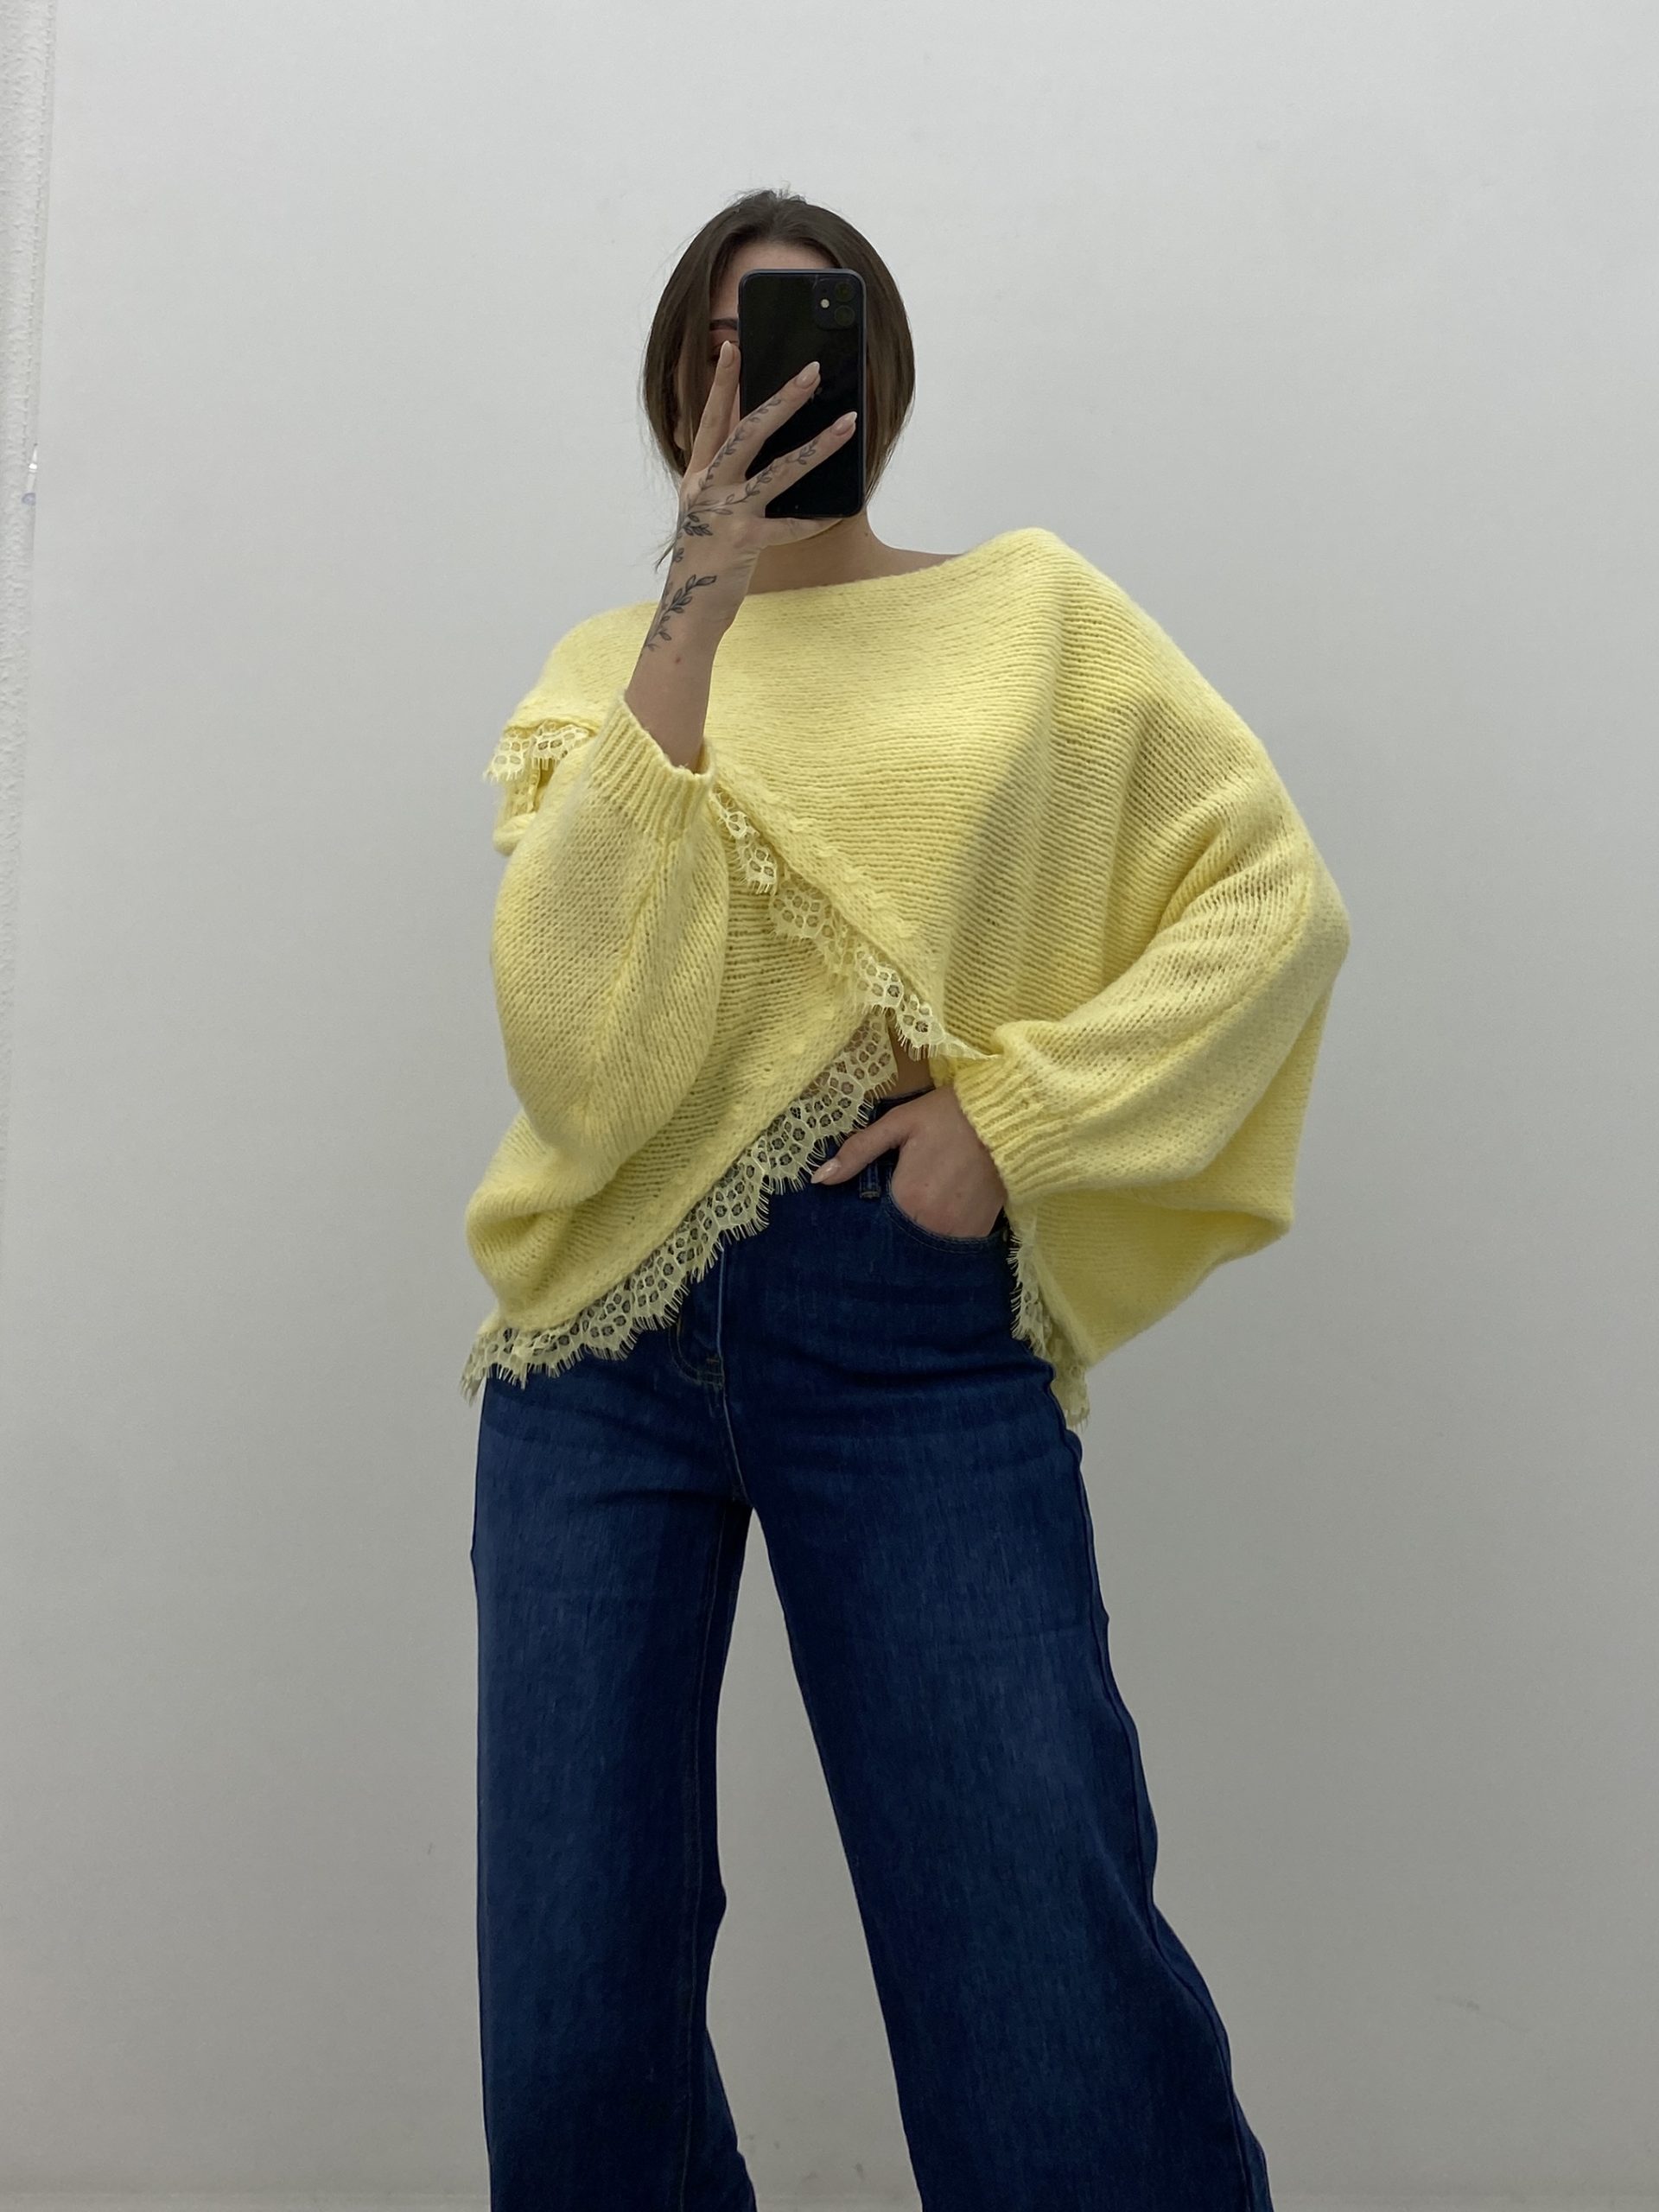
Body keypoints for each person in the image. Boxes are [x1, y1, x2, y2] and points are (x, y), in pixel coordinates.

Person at [461, 188, 1351, 2212]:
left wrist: (1016, 1118)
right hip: (598, 1349)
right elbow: (577, 1059)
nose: (761, 378)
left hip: (907, 1323)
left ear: (877, 370)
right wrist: (693, 604)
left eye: (803, 334)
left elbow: (1269, 900)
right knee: (575, 2021)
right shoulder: (608, 670)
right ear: (677, 388)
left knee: (1034, 1953)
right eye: (727, 345)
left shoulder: (1034, 616)